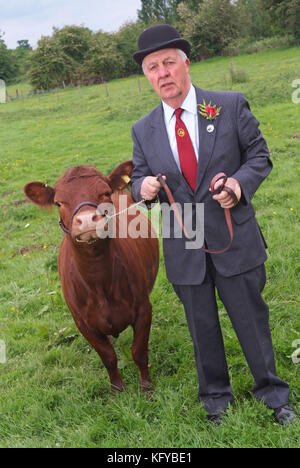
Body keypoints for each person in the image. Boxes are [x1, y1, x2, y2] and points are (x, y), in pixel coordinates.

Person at [130, 24, 296, 425]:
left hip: (234, 237)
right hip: (182, 243)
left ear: (186, 63)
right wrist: (144, 186)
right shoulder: (143, 129)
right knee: (201, 328)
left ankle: (274, 396)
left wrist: (238, 184)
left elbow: (260, 156)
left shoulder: (229, 105)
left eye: (169, 62)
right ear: (147, 76)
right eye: (153, 67)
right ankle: (217, 402)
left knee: (251, 320)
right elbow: (137, 180)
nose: (162, 73)